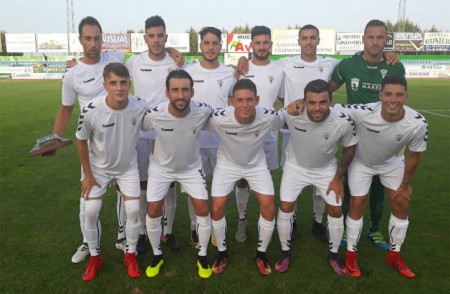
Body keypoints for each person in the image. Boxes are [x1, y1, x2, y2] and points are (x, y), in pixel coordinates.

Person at [238, 24, 340, 243]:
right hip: (292, 131)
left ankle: (317, 222)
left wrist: (389, 56)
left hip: (322, 128)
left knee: (320, 177)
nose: (309, 42)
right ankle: (290, 221)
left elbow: (351, 68)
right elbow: (282, 95)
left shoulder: (330, 63)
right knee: (291, 176)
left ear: (318, 40)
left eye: (313, 38)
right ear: (299, 41)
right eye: (305, 38)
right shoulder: (285, 64)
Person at [44, 16, 127, 264]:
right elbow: (66, 109)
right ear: (80, 40)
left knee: (125, 192)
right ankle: (88, 243)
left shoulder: (116, 59)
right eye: (88, 38)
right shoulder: (73, 74)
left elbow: (150, 54)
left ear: (103, 39)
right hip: (91, 147)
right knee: (88, 198)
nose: (93, 43)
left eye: (97, 38)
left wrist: (173, 50)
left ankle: (123, 238)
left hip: (121, 140)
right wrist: (55, 139)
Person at [333, 75, 428, 278]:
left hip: (391, 164)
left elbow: (414, 156)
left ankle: (394, 255)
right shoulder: (364, 112)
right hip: (361, 162)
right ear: (380, 95)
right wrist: (299, 104)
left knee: (401, 201)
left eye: (399, 95)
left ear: (406, 97)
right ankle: (351, 255)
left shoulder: (418, 123)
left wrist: (405, 184)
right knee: (358, 203)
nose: (393, 100)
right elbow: (332, 108)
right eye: (388, 94)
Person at [329, 19, 406, 250]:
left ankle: (374, 228)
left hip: (386, 138)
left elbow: (399, 98)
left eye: (380, 37)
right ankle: (344, 228)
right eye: (370, 37)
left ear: (386, 40)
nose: (375, 42)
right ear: (363, 39)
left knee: (379, 186)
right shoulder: (348, 65)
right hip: (356, 138)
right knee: (351, 185)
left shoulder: (395, 67)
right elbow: (328, 89)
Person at [75, 63, 148, 281]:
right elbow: (80, 141)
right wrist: (88, 175)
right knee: (90, 211)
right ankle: (95, 258)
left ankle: (130, 255)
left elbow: (160, 122)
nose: (119, 88)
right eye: (114, 83)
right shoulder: (91, 109)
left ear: (129, 83)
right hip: (98, 169)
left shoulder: (141, 106)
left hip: (127, 167)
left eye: (123, 82)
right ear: (105, 85)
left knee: (134, 210)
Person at [207, 79, 285, 276]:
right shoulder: (218, 118)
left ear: (257, 99)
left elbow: (288, 118)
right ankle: (222, 253)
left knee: (268, 206)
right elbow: (191, 120)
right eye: (239, 100)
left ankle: (261, 253)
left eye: (249, 100)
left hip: (256, 165)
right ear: (232, 101)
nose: (244, 105)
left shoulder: (269, 117)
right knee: (216, 207)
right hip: (227, 165)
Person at [280, 79, 357, 275]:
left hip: (326, 170)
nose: (317, 108)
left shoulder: (342, 121)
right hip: (295, 167)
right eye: (312, 102)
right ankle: (285, 252)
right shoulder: (292, 115)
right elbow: (266, 119)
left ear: (331, 101)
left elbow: (350, 149)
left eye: (322, 102)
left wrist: (338, 177)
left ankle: (333, 254)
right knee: (286, 207)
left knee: (336, 209)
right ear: (304, 101)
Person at [142, 69, 213, 279]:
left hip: (191, 168)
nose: (180, 95)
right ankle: (156, 254)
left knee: (202, 208)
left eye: (185, 90)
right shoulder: (154, 114)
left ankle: (202, 255)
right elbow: (134, 126)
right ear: (167, 93)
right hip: (160, 169)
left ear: (192, 92)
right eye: (175, 90)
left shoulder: (203, 111)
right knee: (153, 210)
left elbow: (225, 118)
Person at [125, 15, 181, 253]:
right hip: (138, 133)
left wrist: (173, 51)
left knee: (167, 186)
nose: (156, 40)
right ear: (145, 38)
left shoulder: (177, 62)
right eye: (152, 36)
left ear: (166, 37)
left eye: (160, 36)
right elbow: (104, 69)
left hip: (167, 134)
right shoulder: (133, 62)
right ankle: (141, 233)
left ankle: (167, 233)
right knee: (141, 186)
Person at [185, 26, 236, 248]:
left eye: (215, 43)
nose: (211, 47)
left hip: (220, 142)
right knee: (194, 187)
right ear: (200, 46)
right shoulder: (188, 71)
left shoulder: (230, 73)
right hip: (194, 142)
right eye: (207, 43)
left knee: (220, 189)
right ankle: (195, 226)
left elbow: (236, 106)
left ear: (221, 46)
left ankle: (216, 228)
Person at [233, 25, 284, 243]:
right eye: (257, 43)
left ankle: (265, 218)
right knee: (242, 179)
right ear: (251, 45)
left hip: (269, 136)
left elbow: (282, 100)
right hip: (243, 135)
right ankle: (242, 219)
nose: (262, 47)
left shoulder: (279, 70)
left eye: (265, 43)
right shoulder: (240, 70)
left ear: (271, 45)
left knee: (266, 177)